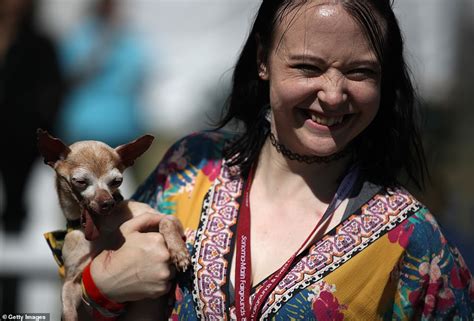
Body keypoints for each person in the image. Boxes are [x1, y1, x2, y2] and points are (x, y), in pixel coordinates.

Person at [45, 0, 474, 319]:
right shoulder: (189, 167)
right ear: (262, 61)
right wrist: (100, 287)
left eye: (361, 72)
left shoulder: (413, 240)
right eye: (308, 67)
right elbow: (84, 283)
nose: (333, 94)